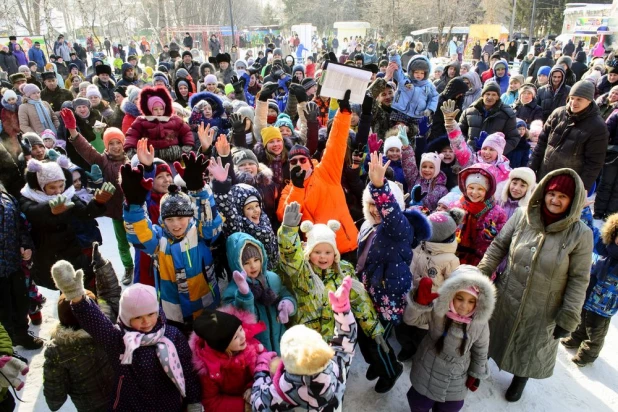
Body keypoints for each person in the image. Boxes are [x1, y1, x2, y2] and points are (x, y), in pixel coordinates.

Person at [478, 169, 593, 402]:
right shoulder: (522, 216)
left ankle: (521, 378)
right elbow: (499, 246)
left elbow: (579, 278)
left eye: (563, 196)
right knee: (493, 332)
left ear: (573, 201)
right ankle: (479, 365)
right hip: (508, 291)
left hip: (544, 306)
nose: (555, 200)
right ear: (543, 192)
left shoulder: (581, 234)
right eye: (552, 194)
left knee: (530, 343)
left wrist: (569, 315)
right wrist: (480, 275)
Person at [51, 262, 203, 411]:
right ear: (126, 318)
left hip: (170, 403)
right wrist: (76, 296)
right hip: (132, 405)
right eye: (137, 317)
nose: (146, 322)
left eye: (151, 314)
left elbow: (187, 370)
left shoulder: (172, 335)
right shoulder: (120, 340)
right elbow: (96, 323)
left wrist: (194, 400)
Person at [120, 153, 223, 334]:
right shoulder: (159, 241)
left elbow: (211, 223)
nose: (176, 224)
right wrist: (135, 206)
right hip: (173, 312)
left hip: (206, 305)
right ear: (162, 220)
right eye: (170, 219)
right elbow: (139, 236)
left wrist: (199, 191)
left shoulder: (199, 233)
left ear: (190, 216)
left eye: (181, 218)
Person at [357, 154, 431, 391]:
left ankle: (391, 370)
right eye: (370, 204)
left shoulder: (399, 230)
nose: (374, 209)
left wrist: (378, 187)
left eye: (378, 205)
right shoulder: (368, 226)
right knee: (365, 339)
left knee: (376, 342)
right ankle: (380, 362)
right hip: (370, 293)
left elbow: (390, 212)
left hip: (389, 297)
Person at [251, 277, 358, 411]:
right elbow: (346, 340)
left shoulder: (280, 391)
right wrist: (342, 310)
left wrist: (262, 369)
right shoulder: (335, 370)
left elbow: (257, 402)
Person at [276, 91, 359, 256]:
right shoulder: (289, 190)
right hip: (317, 255)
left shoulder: (326, 171)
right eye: (293, 162)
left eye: (302, 160)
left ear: (309, 160)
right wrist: (298, 189)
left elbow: (336, 143)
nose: (299, 164)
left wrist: (343, 114)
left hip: (346, 246)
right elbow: (283, 216)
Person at [405, 265, 496, 411]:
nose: (464, 306)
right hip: (426, 370)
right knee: (418, 405)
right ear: (450, 295)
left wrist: (476, 374)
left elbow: (481, 349)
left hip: (456, 379)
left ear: (479, 303)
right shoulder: (438, 310)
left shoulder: (479, 324)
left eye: (471, 301)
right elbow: (411, 320)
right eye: (459, 298)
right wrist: (419, 304)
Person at [19, 156, 112, 289]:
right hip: (47, 255)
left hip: (71, 250)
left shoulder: (67, 193)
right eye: (52, 188)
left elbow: (84, 213)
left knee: (80, 285)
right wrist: (50, 210)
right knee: (63, 288)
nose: (58, 191)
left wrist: (97, 203)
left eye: (61, 186)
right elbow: (31, 212)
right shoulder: (29, 196)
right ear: (40, 185)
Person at [222, 233, 297, 354]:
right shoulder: (232, 291)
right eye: (246, 263)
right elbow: (243, 321)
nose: (253, 266)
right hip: (257, 351)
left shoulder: (272, 279)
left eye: (256, 260)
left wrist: (288, 304)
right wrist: (244, 295)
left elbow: (285, 293)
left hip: (282, 343)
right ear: (237, 264)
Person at [529, 80, 608, 190]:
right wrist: (531, 169)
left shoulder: (598, 127)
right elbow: (541, 144)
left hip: (568, 183)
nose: (574, 103)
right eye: (572, 98)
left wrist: (583, 188)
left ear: (589, 101)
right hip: (544, 174)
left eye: (579, 99)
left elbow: (594, 163)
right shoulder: (558, 114)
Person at [561, 213, 618, 366]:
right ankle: (576, 337)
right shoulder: (605, 247)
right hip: (590, 292)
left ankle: (588, 354)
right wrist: (585, 211)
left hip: (606, 304)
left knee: (596, 330)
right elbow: (590, 231)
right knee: (582, 318)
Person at [190, 306, 266, 411]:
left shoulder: (250, 345)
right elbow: (211, 401)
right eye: (235, 337)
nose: (243, 336)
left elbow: (265, 365)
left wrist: (251, 387)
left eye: (241, 329)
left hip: (257, 396)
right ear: (224, 347)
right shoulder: (210, 370)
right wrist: (243, 406)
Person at [452, 163, 507, 266]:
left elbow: (501, 242)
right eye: (471, 187)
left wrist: (489, 236)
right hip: (455, 258)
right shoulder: (458, 206)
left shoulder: (497, 213)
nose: (474, 192)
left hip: (480, 262)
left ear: (488, 190)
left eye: (480, 189)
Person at [458, 82, 520, 154]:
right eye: (487, 94)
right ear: (483, 95)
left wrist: (497, 151)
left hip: (493, 159)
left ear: (498, 97)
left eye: (494, 95)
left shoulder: (507, 114)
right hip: (470, 155)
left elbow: (513, 138)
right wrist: (466, 148)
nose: (490, 97)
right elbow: (460, 133)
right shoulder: (469, 112)